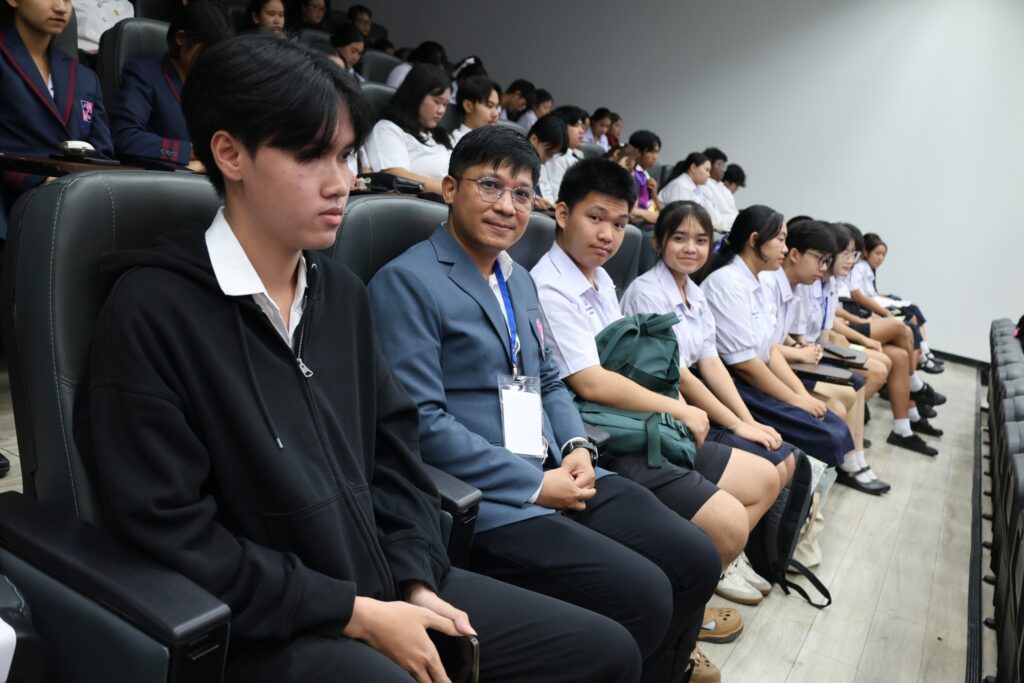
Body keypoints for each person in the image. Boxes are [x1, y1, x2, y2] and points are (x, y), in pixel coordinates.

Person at [74, 34, 640, 683]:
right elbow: (172, 532)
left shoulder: (339, 294)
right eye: (310, 155)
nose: (342, 181)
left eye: (345, 155)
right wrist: (352, 611)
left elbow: (396, 461)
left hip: (383, 581)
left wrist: (416, 578)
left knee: (605, 652)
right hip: (271, 622)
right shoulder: (153, 310)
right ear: (229, 153)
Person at [369, 125, 722, 683]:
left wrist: (577, 446)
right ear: (450, 189)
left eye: (520, 193)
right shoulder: (408, 281)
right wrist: (535, 485)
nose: (506, 206)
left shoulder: (517, 279)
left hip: (560, 468)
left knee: (697, 558)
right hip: (494, 497)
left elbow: (550, 382)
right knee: (647, 593)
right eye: (490, 186)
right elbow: (423, 424)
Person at [532, 161, 784, 609]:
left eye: (618, 223)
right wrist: (680, 410)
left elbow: (640, 366)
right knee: (729, 523)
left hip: (641, 422)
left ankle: (699, 580)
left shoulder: (600, 277)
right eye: (595, 218)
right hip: (607, 437)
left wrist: (684, 413)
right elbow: (591, 383)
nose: (607, 235)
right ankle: (691, 603)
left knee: (766, 478)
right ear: (563, 213)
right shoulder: (550, 286)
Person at [698, 206, 855, 473]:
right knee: (825, 432)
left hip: (754, 381)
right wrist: (794, 400)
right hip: (736, 385)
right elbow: (745, 364)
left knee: (832, 424)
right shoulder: (727, 283)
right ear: (754, 240)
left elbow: (770, 349)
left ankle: (812, 487)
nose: (785, 248)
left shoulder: (757, 282)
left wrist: (800, 394)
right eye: (780, 240)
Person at [763, 220, 891, 494]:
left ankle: (852, 457)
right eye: (842, 254)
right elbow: (768, 346)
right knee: (842, 400)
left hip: (796, 356)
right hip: (779, 364)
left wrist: (801, 347)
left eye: (852, 254)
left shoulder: (808, 283)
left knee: (857, 383)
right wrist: (801, 352)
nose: (848, 261)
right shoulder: (780, 283)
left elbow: (791, 336)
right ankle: (839, 465)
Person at [804, 223, 941, 454]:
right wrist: (862, 323)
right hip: (827, 342)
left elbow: (829, 320)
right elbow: (831, 320)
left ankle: (903, 427)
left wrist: (861, 335)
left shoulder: (830, 282)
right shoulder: (813, 282)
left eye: (854, 254)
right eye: (847, 254)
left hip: (836, 336)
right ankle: (914, 385)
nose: (851, 261)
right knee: (900, 330)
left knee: (899, 355)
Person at [0, 0, 113, 216]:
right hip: (12, 202)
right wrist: (40, 180)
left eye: (68, 0)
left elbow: (103, 154)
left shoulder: (85, 77)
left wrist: (75, 184)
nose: (61, 8)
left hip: (77, 202)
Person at [109, 2, 228, 170]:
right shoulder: (144, 73)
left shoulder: (215, 86)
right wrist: (189, 152)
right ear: (181, 39)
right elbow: (125, 136)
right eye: (205, 53)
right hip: (161, 177)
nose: (211, 63)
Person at [857, 232, 943, 372]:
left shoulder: (869, 269)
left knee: (913, 308)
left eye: (883, 255)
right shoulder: (859, 268)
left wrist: (889, 297)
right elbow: (860, 296)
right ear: (865, 252)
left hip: (876, 302)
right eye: (877, 253)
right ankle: (921, 359)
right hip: (872, 308)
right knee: (910, 319)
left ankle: (925, 352)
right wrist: (885, 311)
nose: (881, 258)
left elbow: (871, 292)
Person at [364, 63, 452, 196]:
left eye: (445, 104)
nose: (441, 111)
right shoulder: (388, 129)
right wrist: (455, 193)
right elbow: (396, 177)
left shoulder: (441, 135)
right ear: (416, 96)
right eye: (437, 102)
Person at [544, 104, 587, 200]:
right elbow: (557, 196)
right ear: (561, 127)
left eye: (582, 126)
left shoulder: (577, 154)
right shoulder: (559, 157)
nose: (582, 131)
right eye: (576, 125)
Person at [527, 114, 566, 210]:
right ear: (534, 140)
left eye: (552, 155)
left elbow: (547, 197)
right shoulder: (514, 161)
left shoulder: (542, 168)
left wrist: (550, 205)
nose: (547, 160)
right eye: (548, 152)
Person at [628, 130, 661, 226]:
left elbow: (659, 213)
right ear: (638, 151)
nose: (655, 157)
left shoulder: (645, 175)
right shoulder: (631, 174)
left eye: (657, 152)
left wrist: (654, 194)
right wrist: (651, 216)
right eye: (652, 152)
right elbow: (631, 213)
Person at [450, 74, 498, 143]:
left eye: (496, 107)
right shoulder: (453, 142)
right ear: (468, 106)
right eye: (489, 106)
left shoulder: (496, 141)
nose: (496, 114)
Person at [700, 147, 737, 231]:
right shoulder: (703, 186)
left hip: (730, 229)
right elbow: (714, 221)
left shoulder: (723, 188)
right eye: (720, 165)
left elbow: (735, 214)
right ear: (708, 165)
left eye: (724, 166)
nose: (723, 170)